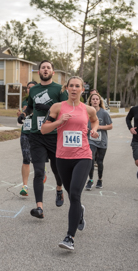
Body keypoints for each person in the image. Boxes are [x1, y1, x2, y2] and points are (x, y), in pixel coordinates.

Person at [41, 76, 99, 251]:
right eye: (71, 86)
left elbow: (95, 121)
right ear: (67, 88)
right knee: (72, 195)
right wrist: (60, 121)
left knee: (74, 194)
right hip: (62, 158)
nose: (74, 89)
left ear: (82, 89)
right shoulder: (57, 107)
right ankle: (79, 211)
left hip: (83, 156)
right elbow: (44, 129)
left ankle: (69, 237)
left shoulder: (88, 109)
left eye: (77, 86)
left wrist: (94, 130)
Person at [18, 60, 68, 219]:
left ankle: (59, 189)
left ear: (53, 72)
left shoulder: (59, 89)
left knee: (57, 169)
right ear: (38, 72)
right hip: (36, 135)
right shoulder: (34, 90)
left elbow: (65, 109)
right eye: (42, 68)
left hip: (55, 135)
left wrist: (47, 108)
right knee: (39, 171)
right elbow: (31, 106)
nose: (45, 70)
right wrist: (24, 115)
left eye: (48, 68)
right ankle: (39, 207)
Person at [85, 93, 113, 190]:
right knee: (91, 159)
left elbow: (110, 125)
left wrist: (98, 127)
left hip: (102, 140)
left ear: (99, 101)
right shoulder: (87, 112)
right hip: (91, 140)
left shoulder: (104, 113)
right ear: (90, 101)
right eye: (93, 99)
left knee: (100, 161)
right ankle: (90, 180)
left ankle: (100, 179)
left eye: (97, 99)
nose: (95, 101)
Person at [17, 81, 38, 196]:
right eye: (28, 88)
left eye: (32, 88)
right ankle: (24, 186)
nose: (30, 90)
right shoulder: (24, 102)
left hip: (38, 133)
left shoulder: (41, 101)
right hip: (25, 132)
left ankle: (42, 171)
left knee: (37, 159)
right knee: (26, 158)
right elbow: (24, 117)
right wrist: (20, 116)